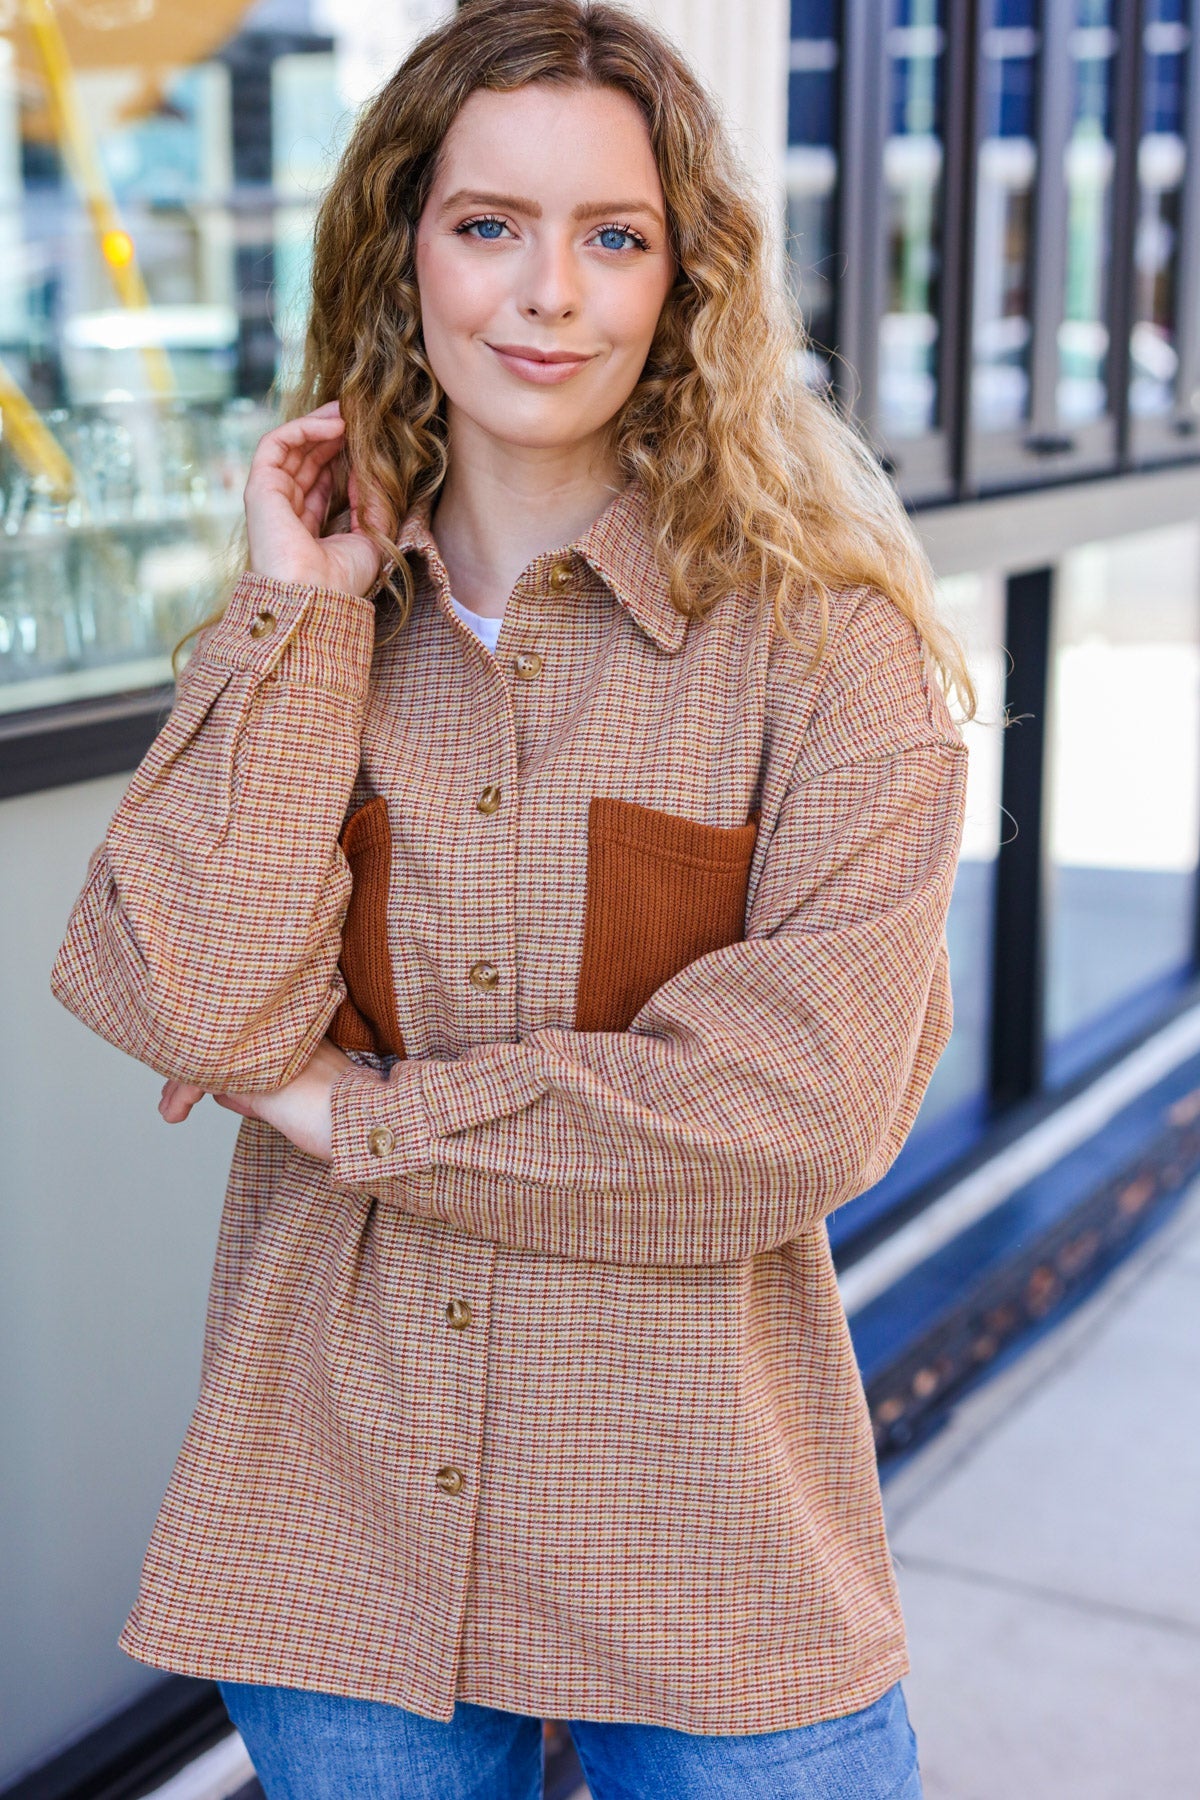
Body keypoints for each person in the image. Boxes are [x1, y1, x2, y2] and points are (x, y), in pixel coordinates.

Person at [50, 2, 976, 1794]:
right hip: (340, 1519)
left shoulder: (826, 654)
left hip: (711, 1544)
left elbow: (794, 1107)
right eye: (490, 226)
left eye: (611, 236)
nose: (549, 292)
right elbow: (180, 989)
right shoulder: (313, 621)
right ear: (403, 253)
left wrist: (344, 1110)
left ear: (682, 282)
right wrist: (300, 622)